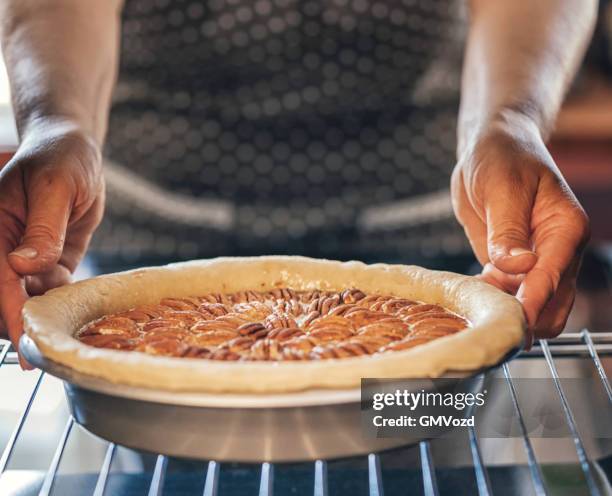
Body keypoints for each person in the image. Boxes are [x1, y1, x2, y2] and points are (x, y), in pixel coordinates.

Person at [0, 0, 594, 361]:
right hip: (147, 248)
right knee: (153, 495)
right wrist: (58, 124)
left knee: (421, 431)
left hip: (441, 244)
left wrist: (508, 121)